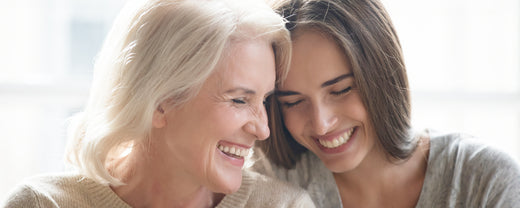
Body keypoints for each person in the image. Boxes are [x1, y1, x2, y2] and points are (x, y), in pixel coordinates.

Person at [2, 0, 316, 207]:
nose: (263, 129)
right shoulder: (41, 204)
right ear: (159, 102)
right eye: (238, 99)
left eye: (264, 99)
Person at [253, 0, 520, 207]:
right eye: (294, 101)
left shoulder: (485, 180)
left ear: (382, 76)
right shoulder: (270, 187)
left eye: (341, 90)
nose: (321, 125)